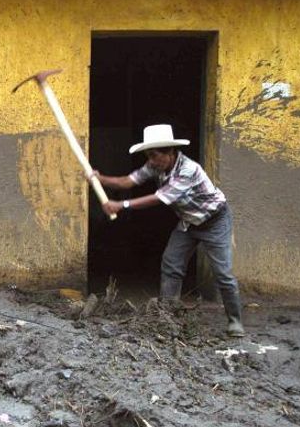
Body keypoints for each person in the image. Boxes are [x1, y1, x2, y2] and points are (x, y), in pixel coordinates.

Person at [90, 124, 244, 337]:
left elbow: (160, 198)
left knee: (223, 274)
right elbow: (128, 180)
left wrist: (121, 205)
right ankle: (167, 317)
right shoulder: (155, 165)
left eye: (154, 156)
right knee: (171, 264)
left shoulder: (188, 170)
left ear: (170, 153)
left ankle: (235, 322)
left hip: (214, 221)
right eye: (149, 156)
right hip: (189, 221)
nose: (151, 161)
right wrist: (101, 178)